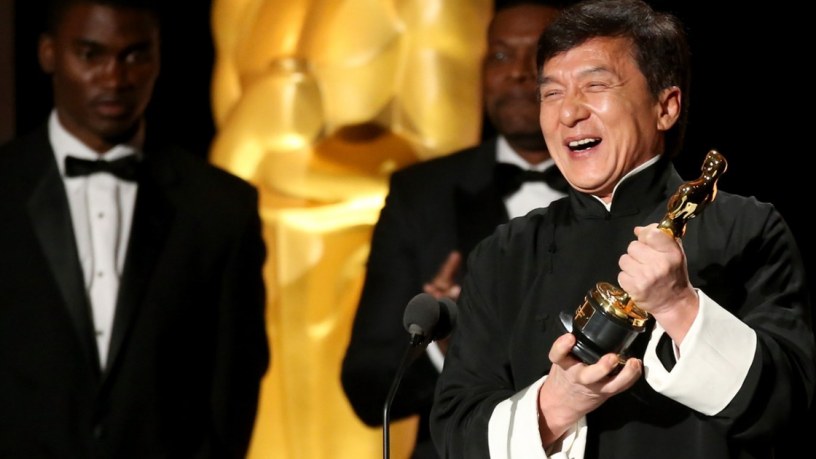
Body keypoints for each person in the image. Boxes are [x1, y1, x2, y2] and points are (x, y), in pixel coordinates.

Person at [429, 0, 816, 458]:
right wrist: (557, 404)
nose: (568, 113)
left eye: (595, 85)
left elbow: (785, 407)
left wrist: (678, 305)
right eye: (551, 93)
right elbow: (455, 432)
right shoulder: (505, 253)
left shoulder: (745, 229)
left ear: (665, 107)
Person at [0, 0, 269, 457]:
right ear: (48, 54)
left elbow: (235, 379)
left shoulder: (220, 207)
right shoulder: (2, 190)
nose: (114, 78)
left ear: (159, 57)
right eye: (91, 55)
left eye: (135, 55)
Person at [341, 2, 567, 457]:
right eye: (501, 56)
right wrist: (441, 346)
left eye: (539, 56)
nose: (519, 73)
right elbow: (367, 383)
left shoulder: (626, 188)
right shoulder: (420, 195)